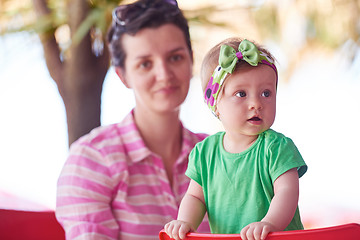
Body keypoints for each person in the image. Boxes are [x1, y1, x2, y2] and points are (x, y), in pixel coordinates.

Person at [55, 0, 209, 239]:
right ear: (123, 76)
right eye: (145, 64)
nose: (164, 75)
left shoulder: (221, 153)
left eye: (175, 57)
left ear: (191, 60)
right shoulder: (91, 160)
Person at [164, 37, 308, 240]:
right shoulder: (205, 152)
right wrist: (185, 222)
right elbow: (196, 197)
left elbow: (287, 192)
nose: (256, 104)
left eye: (266, 93)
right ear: (215, 105)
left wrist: (269, 223)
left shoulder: (276, 147)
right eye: (241, 94)